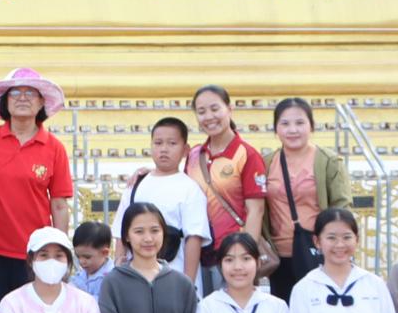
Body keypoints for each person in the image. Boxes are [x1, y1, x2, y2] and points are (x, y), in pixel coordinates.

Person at [0, 68, 75, 309]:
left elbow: (58, 203)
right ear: (5, 101)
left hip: (35, 251)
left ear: (41, 102)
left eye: (30, 92)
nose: (22, 97)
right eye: (15, 92)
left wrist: (59, 248)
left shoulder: (54, 148)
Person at [265, 98, 355, 301]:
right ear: (276, 129)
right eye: (285, 124)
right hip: (280, 257)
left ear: (311, 126)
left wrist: (335, 243)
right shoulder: (267, 163)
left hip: (317, 253)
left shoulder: (328, 161)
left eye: (300, 123)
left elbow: (342, 207)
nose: (292, 130)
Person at [188, 85, 268, 292]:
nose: (209, 117)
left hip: (232, 255)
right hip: (200, 253)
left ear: (229, 109)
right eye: (201, 111)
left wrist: (244, 256)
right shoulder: (195, 155)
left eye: (215, 109)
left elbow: (256, 210)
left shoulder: (247, 155)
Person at [116, 117, 207, 281]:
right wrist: (119, 271)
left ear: (185, 149)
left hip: (175, 275)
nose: (164, 149)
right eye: (158, 143)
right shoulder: (136, 184)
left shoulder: (190, 189)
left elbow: (193, 238)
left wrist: (188, 283)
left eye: (172, 143)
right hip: (135, 276)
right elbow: (120, 233)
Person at [69, 221, 114, 300]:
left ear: (105, 253)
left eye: (87, 257)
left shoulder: (111, 278)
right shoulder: (82, 274)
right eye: (78, 256)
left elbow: (103, 303)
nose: (81, 261)